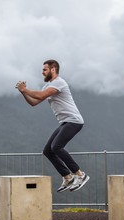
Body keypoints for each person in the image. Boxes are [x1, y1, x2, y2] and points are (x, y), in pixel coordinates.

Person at [15, 59, 89, 192]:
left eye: (45, 69)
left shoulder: (59, 83)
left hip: (74, 121)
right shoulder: (48, 86)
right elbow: (34, 103)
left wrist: (25, 89)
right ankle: (68, 177)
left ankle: (80, 175)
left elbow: (42, 95)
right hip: (65, 122)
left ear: (53, 69)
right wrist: (23, 92)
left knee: (57, 147)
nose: (42, 72)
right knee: (48, 151)